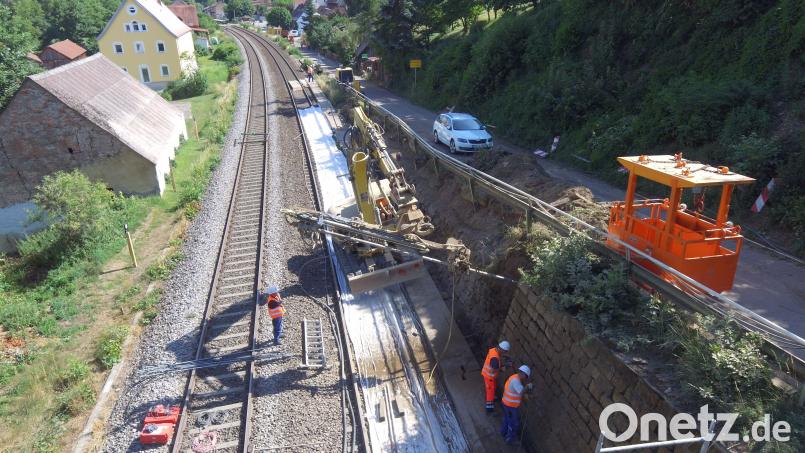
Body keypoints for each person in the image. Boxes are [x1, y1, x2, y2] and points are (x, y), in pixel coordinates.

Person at [500, 365, 531, 445]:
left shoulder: (514, 377)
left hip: (506, 403)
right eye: (525, 376)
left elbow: (518, 390)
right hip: (510, 406)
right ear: (523, 374)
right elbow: (521, 392)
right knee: (514, 423)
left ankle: (503, 432)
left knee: (507, 419)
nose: (525, 378)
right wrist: (527, 387)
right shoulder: (516, 381)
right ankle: (510, 439)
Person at [481, 340, 511, 413]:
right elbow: (493, 370)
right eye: (505, 352)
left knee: (493, 387)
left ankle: (492, 399)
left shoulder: (493, 350)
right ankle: (489, 408)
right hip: (489, 376)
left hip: (489, 375)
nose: (505, 353)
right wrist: (503, 368)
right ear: (502, 350)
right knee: (490, 391)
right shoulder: (495, 359)